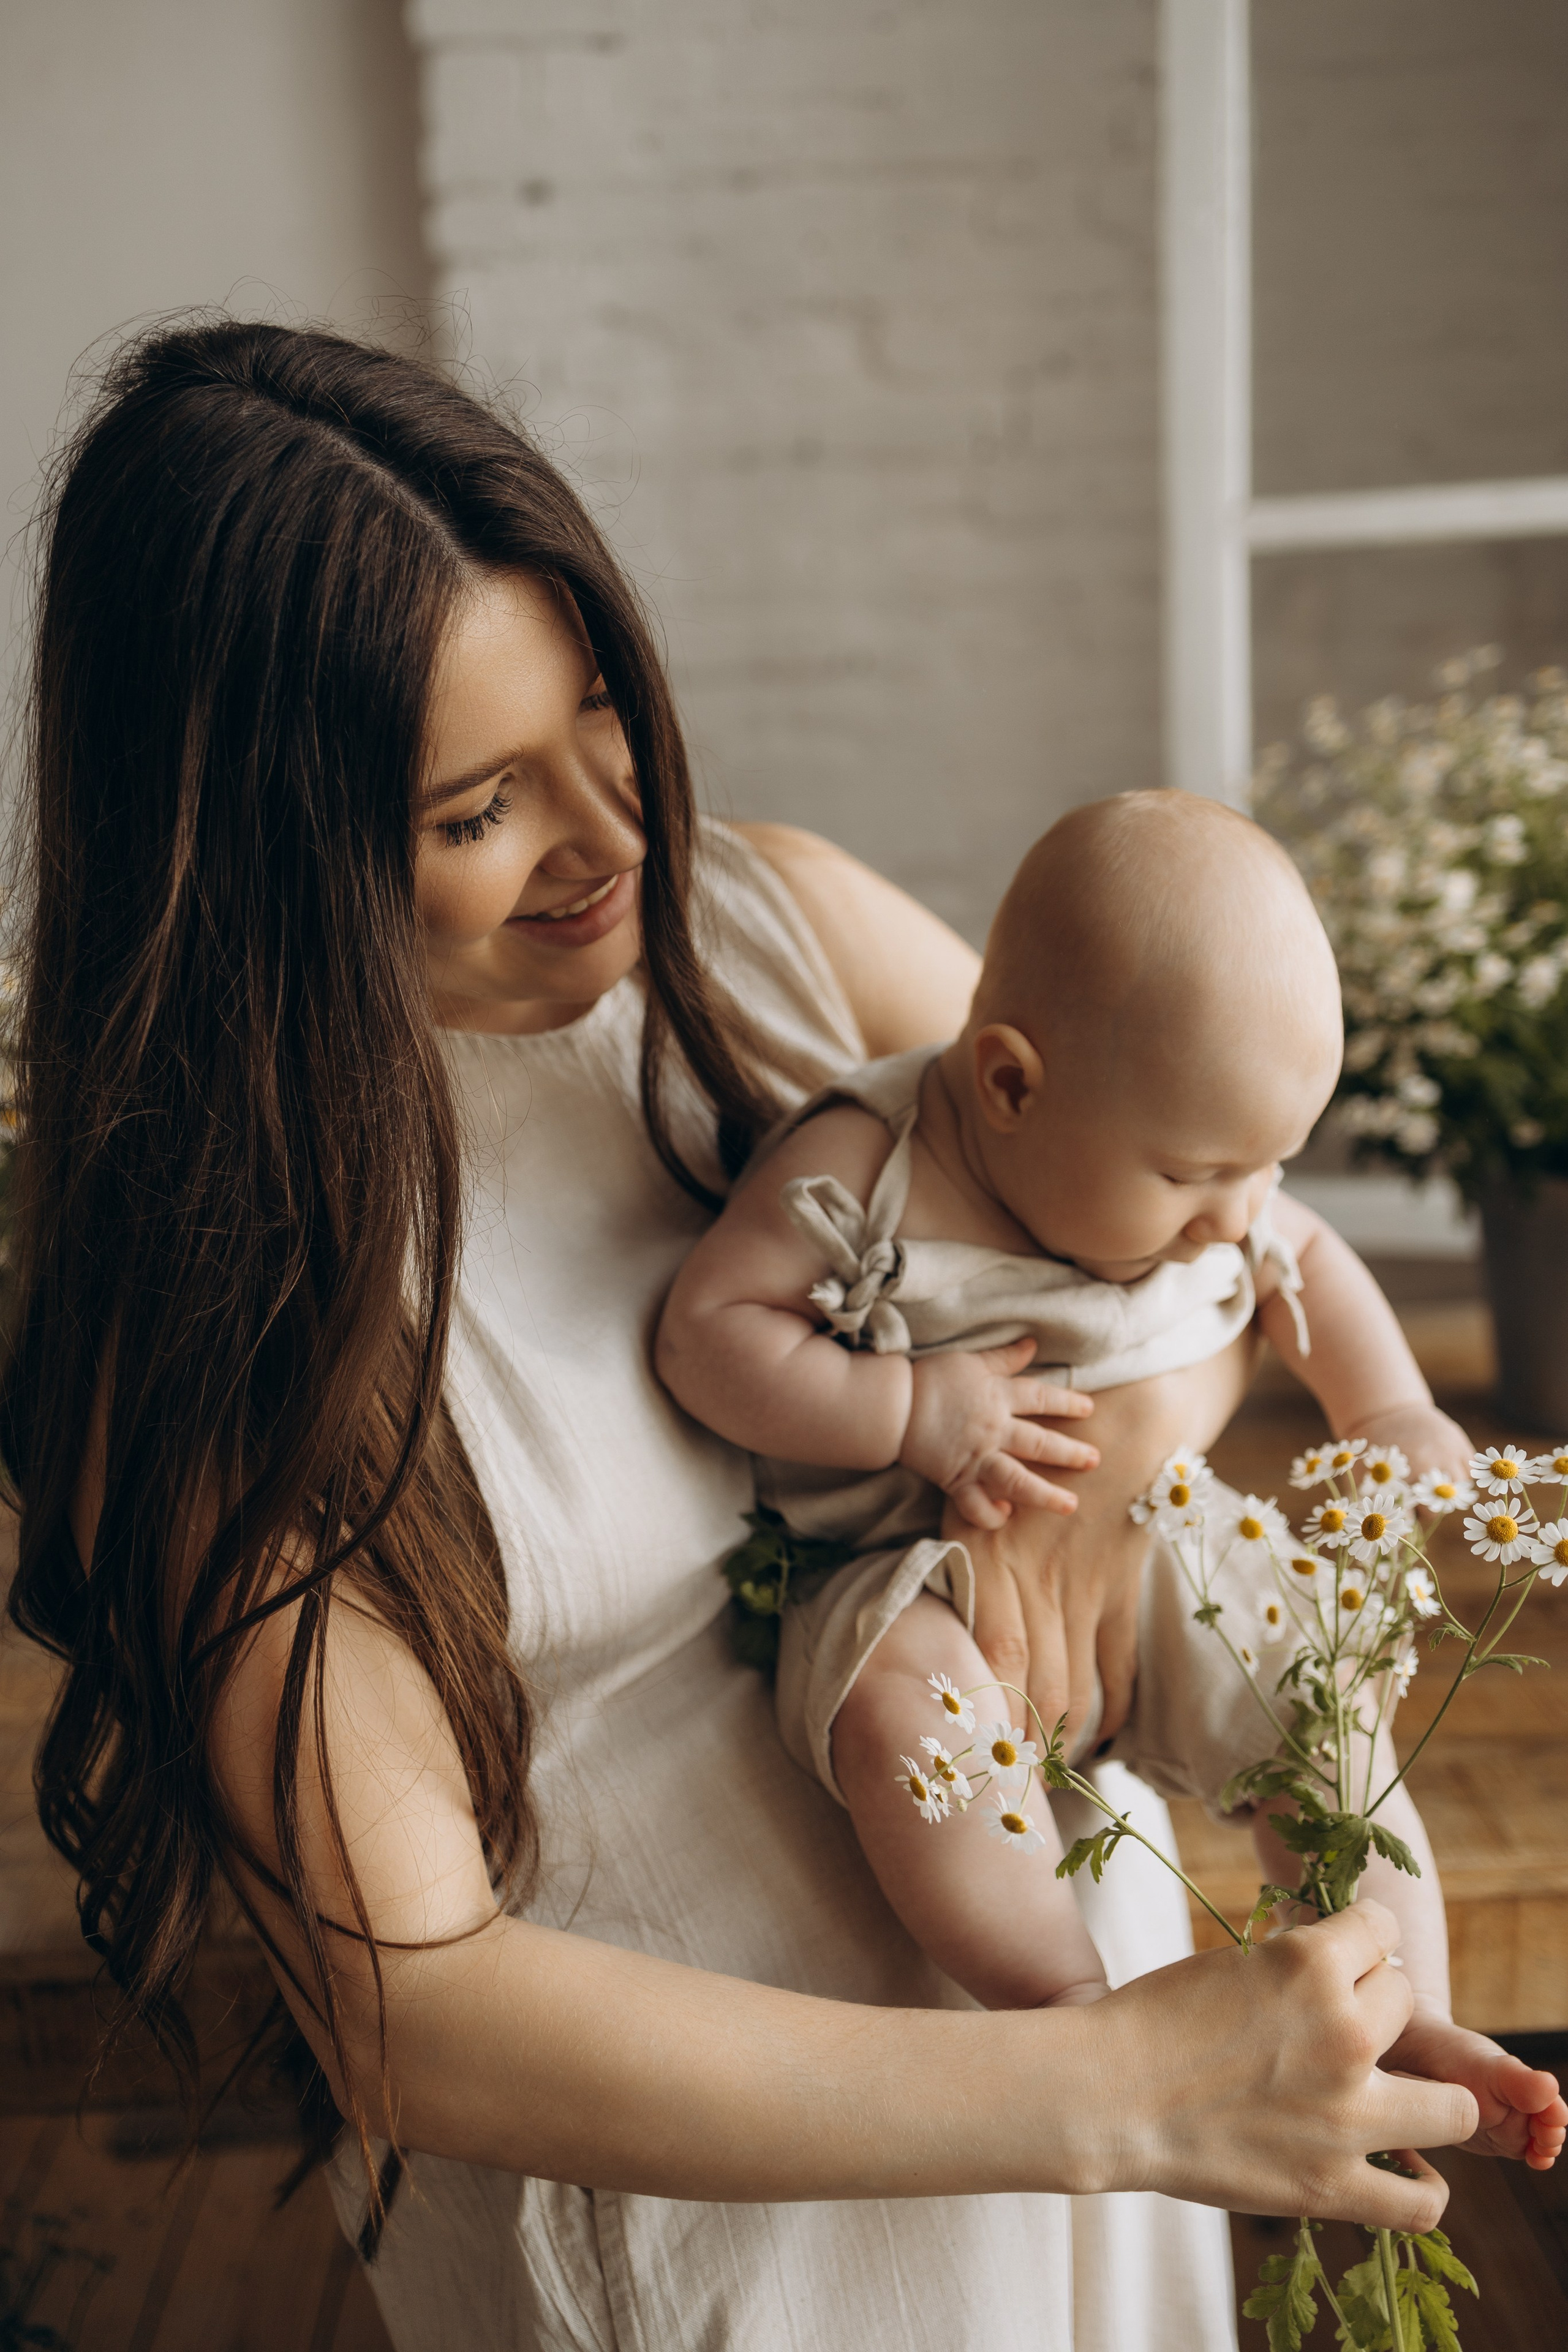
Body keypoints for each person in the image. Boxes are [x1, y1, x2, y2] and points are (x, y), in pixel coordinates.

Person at [1, 321, 1487, 2352]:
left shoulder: (778, 933)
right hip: (755, 2227)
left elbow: (1182, 1242)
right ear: (256, 855)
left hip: (1124, 2065)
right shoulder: (209, 1318)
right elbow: (413, 2008)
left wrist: (1101, 1485)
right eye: (472, 813)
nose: (608, 837)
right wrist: (1110, 2087)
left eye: (601, 710)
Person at [657, 794, 1568, 2173]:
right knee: (905, 1725)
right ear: (1011, 1086)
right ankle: (1078, 2018)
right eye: (1197, 1177)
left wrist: (1382, 1405)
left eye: (1266, 1167)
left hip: (1164, 1547)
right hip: (914, 1574)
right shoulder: (866, 1162)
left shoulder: (1202, 1162)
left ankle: (1408, 2010)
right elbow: (707, 1335)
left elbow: (1303, 1258)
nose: (1234, 1217)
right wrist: (905, 1406)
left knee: (1325, 1713)